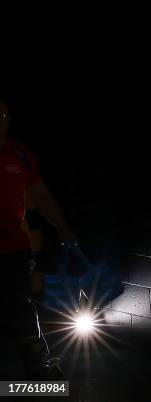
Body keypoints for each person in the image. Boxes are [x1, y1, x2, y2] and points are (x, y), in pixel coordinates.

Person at [0, 97, 75, 379]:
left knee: (21, 304)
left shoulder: (19, 155)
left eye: (3, 118)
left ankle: (37, 365)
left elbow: (41, 195)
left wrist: (62, 226)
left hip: (12, 247)